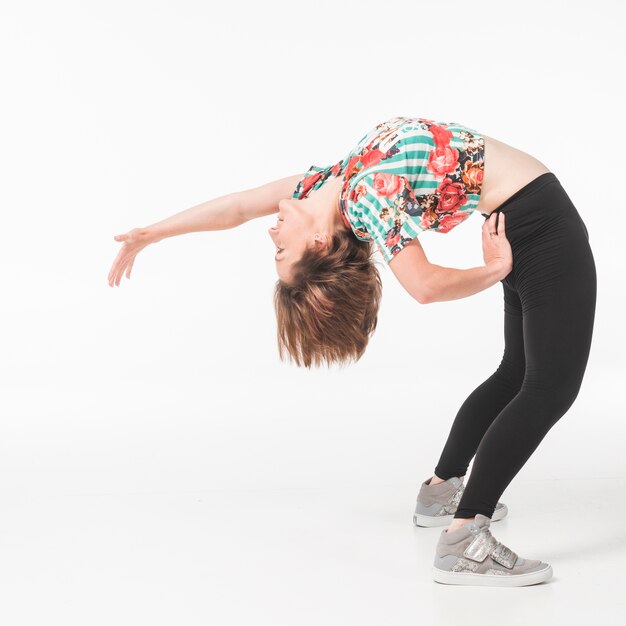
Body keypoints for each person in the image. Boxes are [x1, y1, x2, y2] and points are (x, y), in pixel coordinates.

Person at [108, 116, 596, 587]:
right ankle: (465, 537)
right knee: (549, 388)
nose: (270, 234)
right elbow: (424, 286)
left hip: (520, 217)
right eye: (281, 251)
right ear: (319, 243)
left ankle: (442, 493)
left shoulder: (326, 185)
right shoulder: (365, 201)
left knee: (515, 376)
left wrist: (152, 233)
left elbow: (236, 207)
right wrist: (492, 272)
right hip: (540, 225)